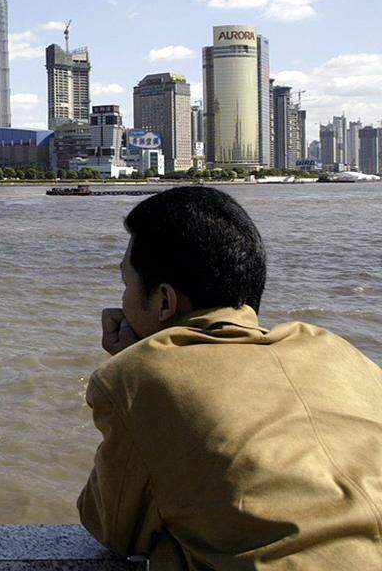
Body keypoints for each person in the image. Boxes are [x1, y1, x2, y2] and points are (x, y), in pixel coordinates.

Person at [77, 186, 382, 569]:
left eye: (126, 284)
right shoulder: (334, 349)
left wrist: (135, 359)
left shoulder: (135, 377)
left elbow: (111, 525)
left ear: (166, 301)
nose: (121, 300)